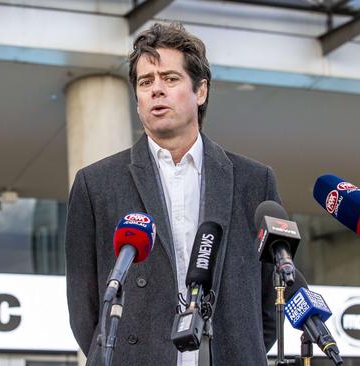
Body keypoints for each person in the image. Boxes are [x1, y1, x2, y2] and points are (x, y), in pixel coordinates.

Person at [65, 22, 280, 365]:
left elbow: (269, 301)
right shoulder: (96, 184)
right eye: (145, 82)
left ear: (201, 91)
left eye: (170, 78)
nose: (156, 90)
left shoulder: (254, 181)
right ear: (136, 98)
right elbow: (84, 306)